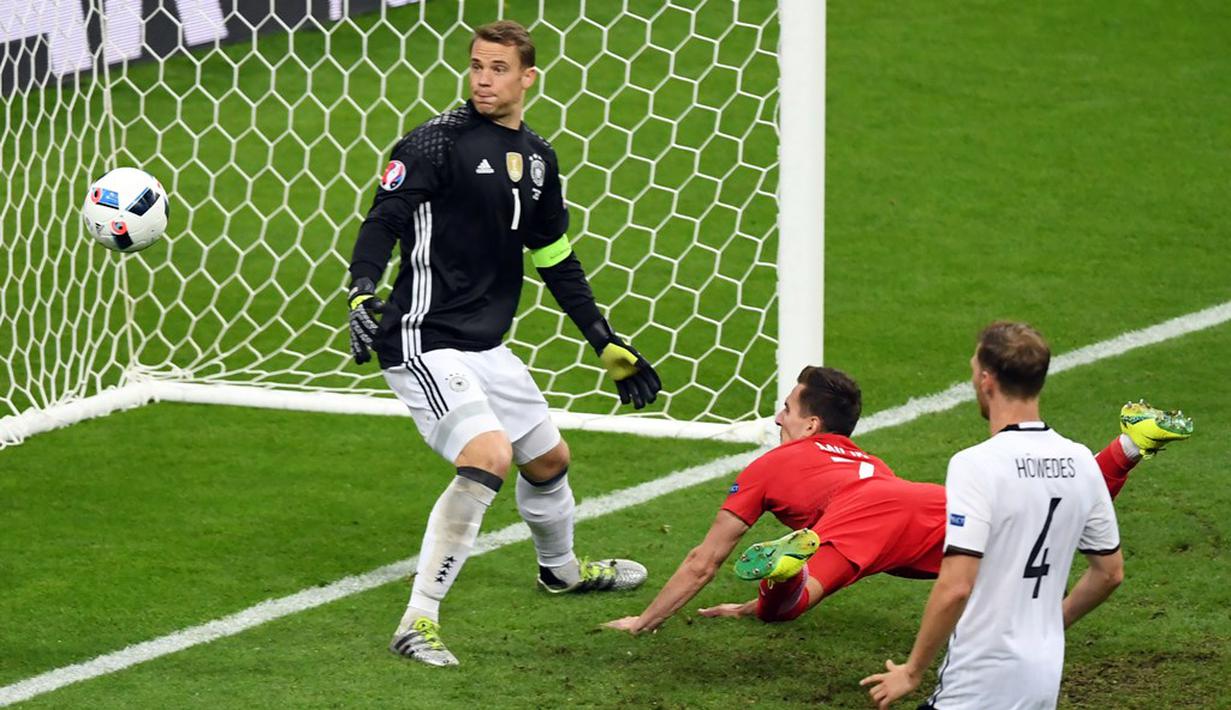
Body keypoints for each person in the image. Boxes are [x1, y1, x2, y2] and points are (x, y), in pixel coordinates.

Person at [346, 19, 662, 667]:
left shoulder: (539, 159)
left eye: (498, 69)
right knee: (487, 455)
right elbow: (385, 218)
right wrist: (361, 289)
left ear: (527, 77)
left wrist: (602, 339)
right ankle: (417, 620)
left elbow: (555, 257)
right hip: (423, 337)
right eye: (476, 66)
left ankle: (560, 571)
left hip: (485, 345)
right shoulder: (435, 142)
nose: (483, 80)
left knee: (548, 461)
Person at [602, 363, 1189, 635]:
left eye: (786, 408)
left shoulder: (767, 466)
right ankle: (1128, 446)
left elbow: (705, 560)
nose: (778, 417)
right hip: (916, 499)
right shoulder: (864, 458)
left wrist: (645, 620)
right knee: (1038, 516)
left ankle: (785, 572)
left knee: (790, 606)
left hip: (865, 519)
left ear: (810, 425)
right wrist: (745, 609)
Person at [859, 322, 1144, 709]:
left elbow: (956, 585)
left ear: (986, 380)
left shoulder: (976, 465)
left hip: (979, 682)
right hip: (1042, 679)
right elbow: (1109, 572)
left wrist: (912, 672)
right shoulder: (1081, 462)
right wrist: (1050, 624)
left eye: (974, 368)